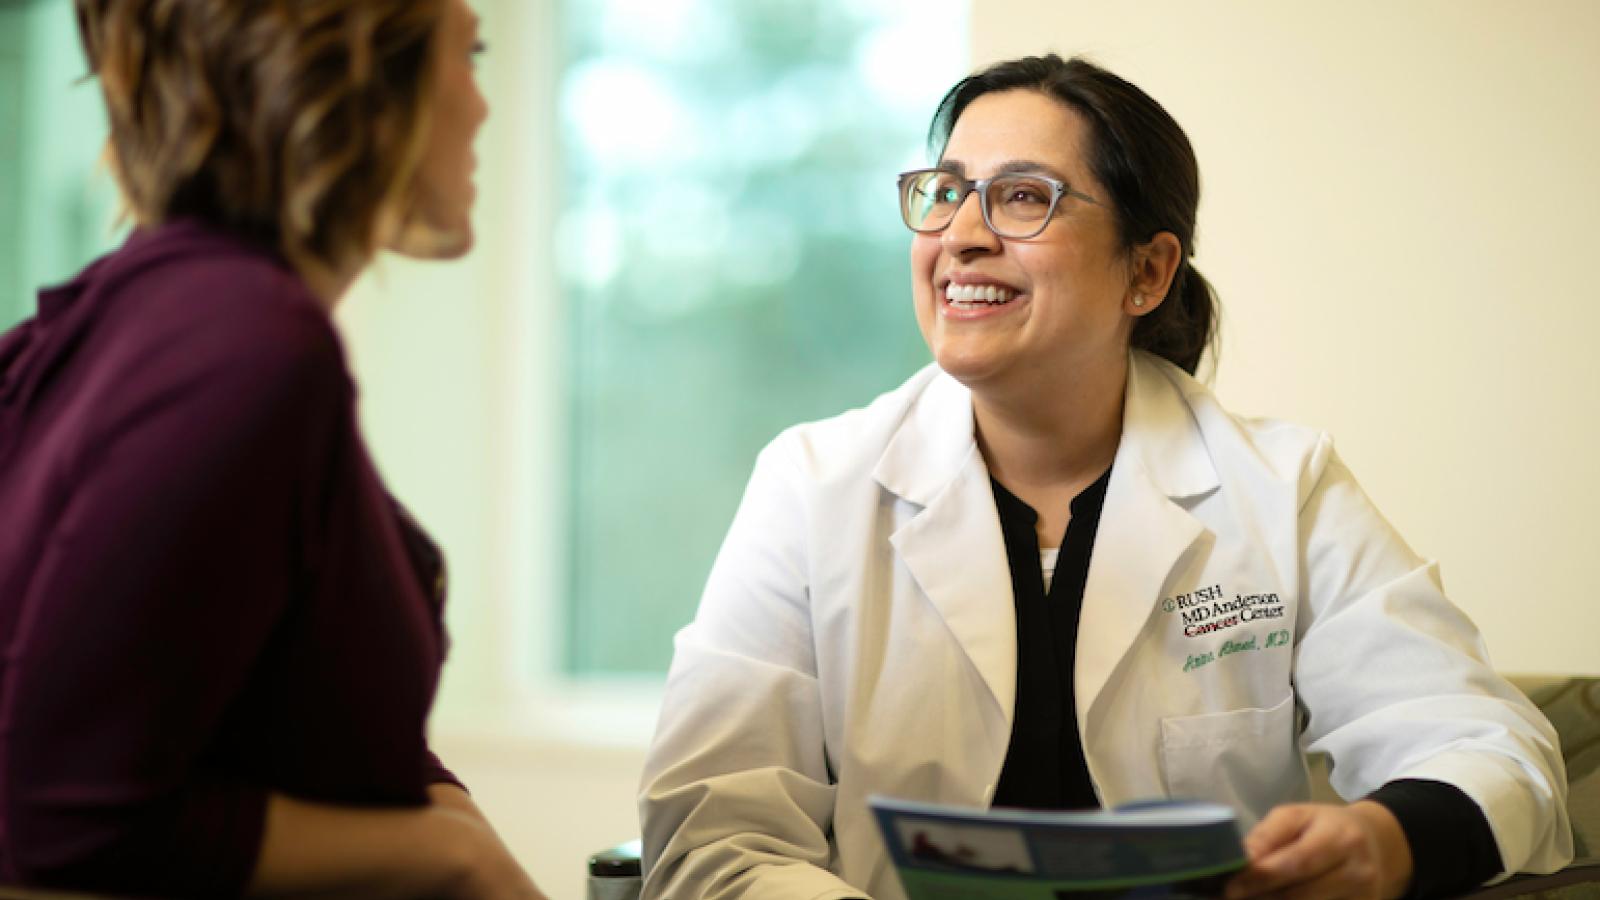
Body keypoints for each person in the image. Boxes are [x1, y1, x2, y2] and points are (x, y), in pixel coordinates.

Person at [638, 54, 1572, 900]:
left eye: (1022, 197)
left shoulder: (1282, 488)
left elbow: (1490, 747)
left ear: (1148, 271)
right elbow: (714, 832)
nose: (960, 235)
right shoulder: (815, 485)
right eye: (945, 193)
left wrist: (1383, 840)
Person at [0, 1, 547, 897]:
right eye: (470, 53)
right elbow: (67, 820)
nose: (482, 105)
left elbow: (265, 714)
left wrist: (442, 807)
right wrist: (456, 860)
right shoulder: (248, 341)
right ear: (366, 76)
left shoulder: (120, 319)